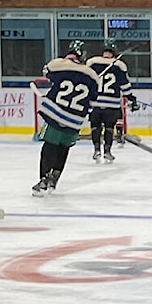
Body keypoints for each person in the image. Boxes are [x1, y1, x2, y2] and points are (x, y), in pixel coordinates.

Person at [33, 41, 99, 196]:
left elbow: (47, 73)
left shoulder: (57, 64)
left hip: (55, 114)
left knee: (49, 147)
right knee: (63, 148)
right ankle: (54, 179)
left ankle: (43, 180)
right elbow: (92, 101)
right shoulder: (93, 75)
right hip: (75, 120)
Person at [86, 39, 139, 163]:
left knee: (95, 127)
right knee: (109, 127)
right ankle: (108, 151)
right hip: (112, 103)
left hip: (95, 102)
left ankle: (96, 150)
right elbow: (125, 85)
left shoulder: (92, 62)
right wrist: (131, 98)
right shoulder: (119, 65)